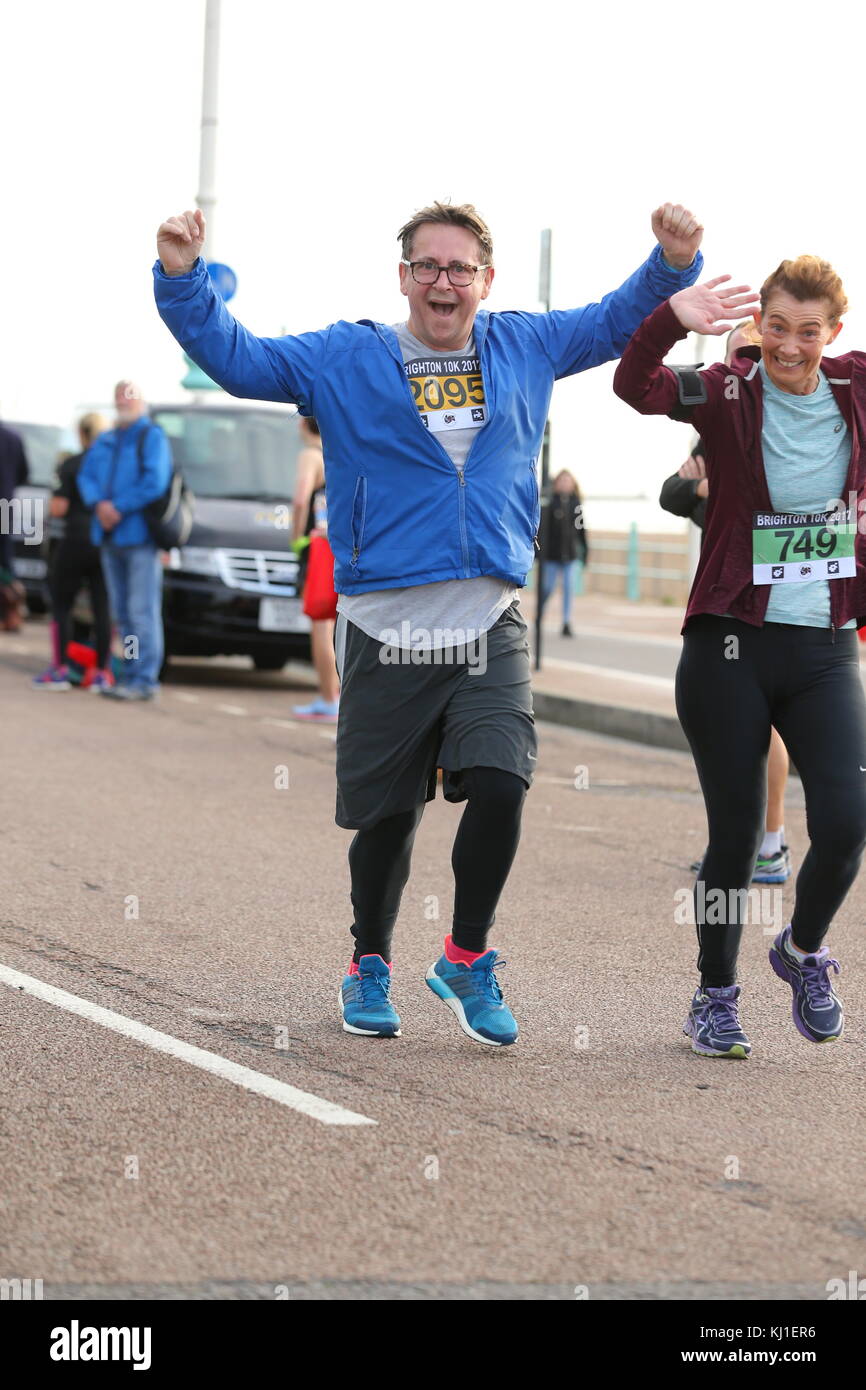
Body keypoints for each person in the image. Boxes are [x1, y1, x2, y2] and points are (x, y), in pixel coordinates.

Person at [154, 199, 703, 1046]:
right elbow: (241, 360)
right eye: (427, 266)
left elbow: (611, 320)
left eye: (459, 268)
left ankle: (466, 956)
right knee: (387, 819)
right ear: (403, 276)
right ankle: (369, 961)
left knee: (503, 781)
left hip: (488, 618)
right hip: (387, 626)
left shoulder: (524, 345)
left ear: (487, 279)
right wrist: (184, 278)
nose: (443, 282)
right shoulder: (346, 357)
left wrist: (670, 263)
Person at [615, 258, 866, 1057]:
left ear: (834, 333)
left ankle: (801, 950)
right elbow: (634, 385)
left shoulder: (857, 389)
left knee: (849, 819)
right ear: (759, 324)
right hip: (730, 646)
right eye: (777, 327)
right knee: (736, 836)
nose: (789, 346)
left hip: (825, 648)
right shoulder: (728, 391)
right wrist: (670, 317)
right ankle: (715, 996)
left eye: (808, 332)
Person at [660, 323, 793, 887]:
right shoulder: (719, 415)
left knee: (771, 728)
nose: (749, 363)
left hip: (784, 598)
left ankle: (770, 843)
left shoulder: (800, 415)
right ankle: (740, 844)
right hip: (726, 602)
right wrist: (707, 490)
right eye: (738, 353)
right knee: (734, 729)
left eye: (758, 352)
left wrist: (720, 489)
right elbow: (671, 492)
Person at [77, 382, 172, 701]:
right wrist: (98, 504)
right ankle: (130, 673)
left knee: (141, 611)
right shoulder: (106, 440)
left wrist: (118, 507)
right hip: (109, 536)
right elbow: (86, 477)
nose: (124, 401)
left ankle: (145, 679)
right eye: (120, 396)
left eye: (130, 396)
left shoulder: (151, 437)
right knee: (123, 613)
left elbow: (155, 481)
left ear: (141, 401)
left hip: (139, 538)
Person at [33, 412, 113, 691]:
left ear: (81, 433)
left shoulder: (71, 464)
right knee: (103, 609)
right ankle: (103, 673)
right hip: (106, 542)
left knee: (62, 605)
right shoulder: (112, 464)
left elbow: (59, 508)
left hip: (75, 541)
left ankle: (61, 669)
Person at [290, 415, 340, 721]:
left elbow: (300, 499)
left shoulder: (309, 455)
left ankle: (328, 697)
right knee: (335, 622)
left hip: (317, 546)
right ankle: (335, 695)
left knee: (320, 623)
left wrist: (296, 539)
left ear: (302, 424)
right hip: (336, 542)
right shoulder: (335, 451)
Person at [538, 469, 588, 637]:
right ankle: (540, 613)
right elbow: (542, 530)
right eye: (562, 480)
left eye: (568, 481)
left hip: (570, 556)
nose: (565, 483)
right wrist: (539, 553)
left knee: (568, 587)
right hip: (551, 556)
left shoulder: (576, 505)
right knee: (547, 587)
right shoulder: (549, 503)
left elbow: (581, 530)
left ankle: (566, 622)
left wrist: (585, 551)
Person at [0, 416, 29, 632]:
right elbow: (23, 474)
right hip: (5, 505)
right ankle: (11, 615)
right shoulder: (13, 437)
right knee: (5, 561)